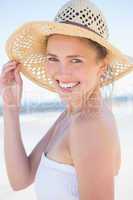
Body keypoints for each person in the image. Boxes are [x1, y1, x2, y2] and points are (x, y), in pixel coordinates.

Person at [1, 0, 133, 199]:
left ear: (101, 67)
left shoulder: (89, 125)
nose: (62, 73)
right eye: (53, 58)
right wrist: (11, 107)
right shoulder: (72, 115)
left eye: (75, 60)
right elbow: (21, 179)